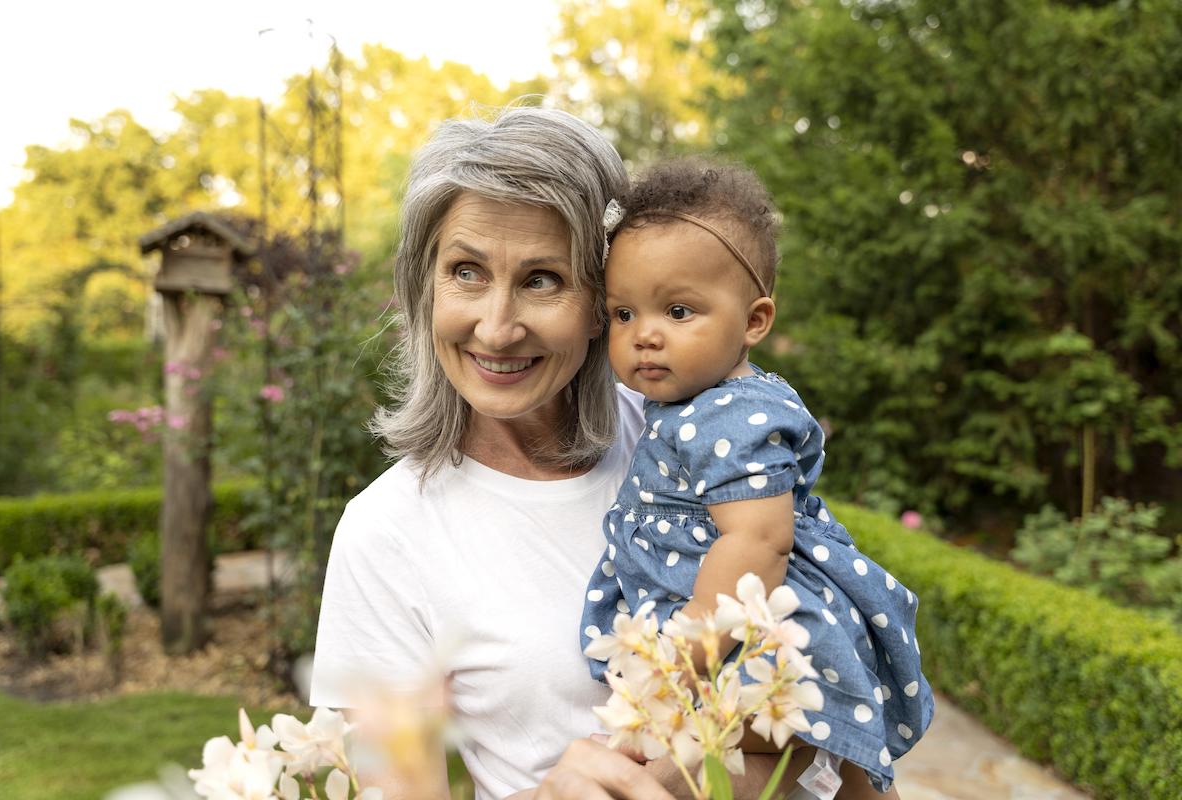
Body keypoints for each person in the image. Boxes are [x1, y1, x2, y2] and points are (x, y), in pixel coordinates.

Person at [309, 108, 803, 800]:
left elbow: (815, 656)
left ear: (603, 300)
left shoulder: (695, 436)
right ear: (427, 286)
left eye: (542, 278)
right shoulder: (387, 532)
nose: (496, 326)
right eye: (466, 271)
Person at [579, 159, 935, 796]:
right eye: (624, 314)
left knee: (743, 749)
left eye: (679, 310)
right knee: (826, 757)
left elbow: (756, 541)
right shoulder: (690, 403)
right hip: (733, 604)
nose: (645, 336)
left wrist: (690, 652)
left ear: (754, 321)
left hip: (740, 613)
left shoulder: (734, 414)